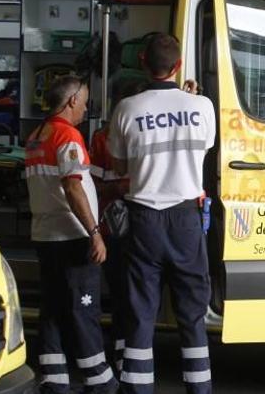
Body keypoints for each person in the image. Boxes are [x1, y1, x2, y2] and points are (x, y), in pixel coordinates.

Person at [108, 34, 216, 394]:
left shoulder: (127, 108)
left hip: (144, 220)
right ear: (179, 65)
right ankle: (199, 390)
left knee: (141, 312)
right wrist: (191, 97)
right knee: (192, 316)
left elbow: (118, 164)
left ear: (142, 61)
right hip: (186, 219)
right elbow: (206, 146)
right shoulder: (202, 106)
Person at [24, 76, 117, 394]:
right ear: (72, 101)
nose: (87, 107)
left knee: (52, 307)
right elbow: (73, 185)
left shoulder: (37, 136)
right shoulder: (68, 135)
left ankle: (54, 379)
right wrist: (94, 232)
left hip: (46, 236)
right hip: (73, 238)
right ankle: (100, 381)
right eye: (85, 100)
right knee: (83, 308)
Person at [89, 78, 144, 374]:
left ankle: (123, 354)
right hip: (126, 224)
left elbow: (98, 185)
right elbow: (97, 185)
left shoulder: (105, 135)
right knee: (129, 296)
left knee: (126, 295)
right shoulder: (107, 137)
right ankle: (125, 357)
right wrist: (128, 186)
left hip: (119, 224)